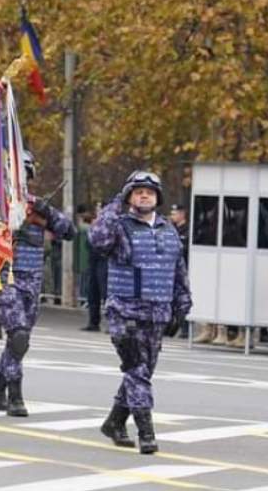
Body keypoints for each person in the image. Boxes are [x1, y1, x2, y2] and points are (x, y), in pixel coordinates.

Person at [90, 171, 191, 454]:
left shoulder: (169, 230)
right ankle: (146, 433)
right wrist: (113, 206)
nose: (144, 195)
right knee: (137, 371)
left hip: (157, 313)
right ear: (129, 197)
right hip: (125, 312)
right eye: (137, 192)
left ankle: (114, 422)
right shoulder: (118, 227)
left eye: (149, 191)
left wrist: (182, 305)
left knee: (141, 373)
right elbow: (97, 241)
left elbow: (178, 271)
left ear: (158, 197)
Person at [0, 151, 75, 417]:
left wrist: (49, 215)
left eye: (24, 176)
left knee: (19, 340)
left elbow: (69, 232)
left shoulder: (37, 206)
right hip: (4, 276)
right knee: (18, 335)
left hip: (31, 278)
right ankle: (14, 394)